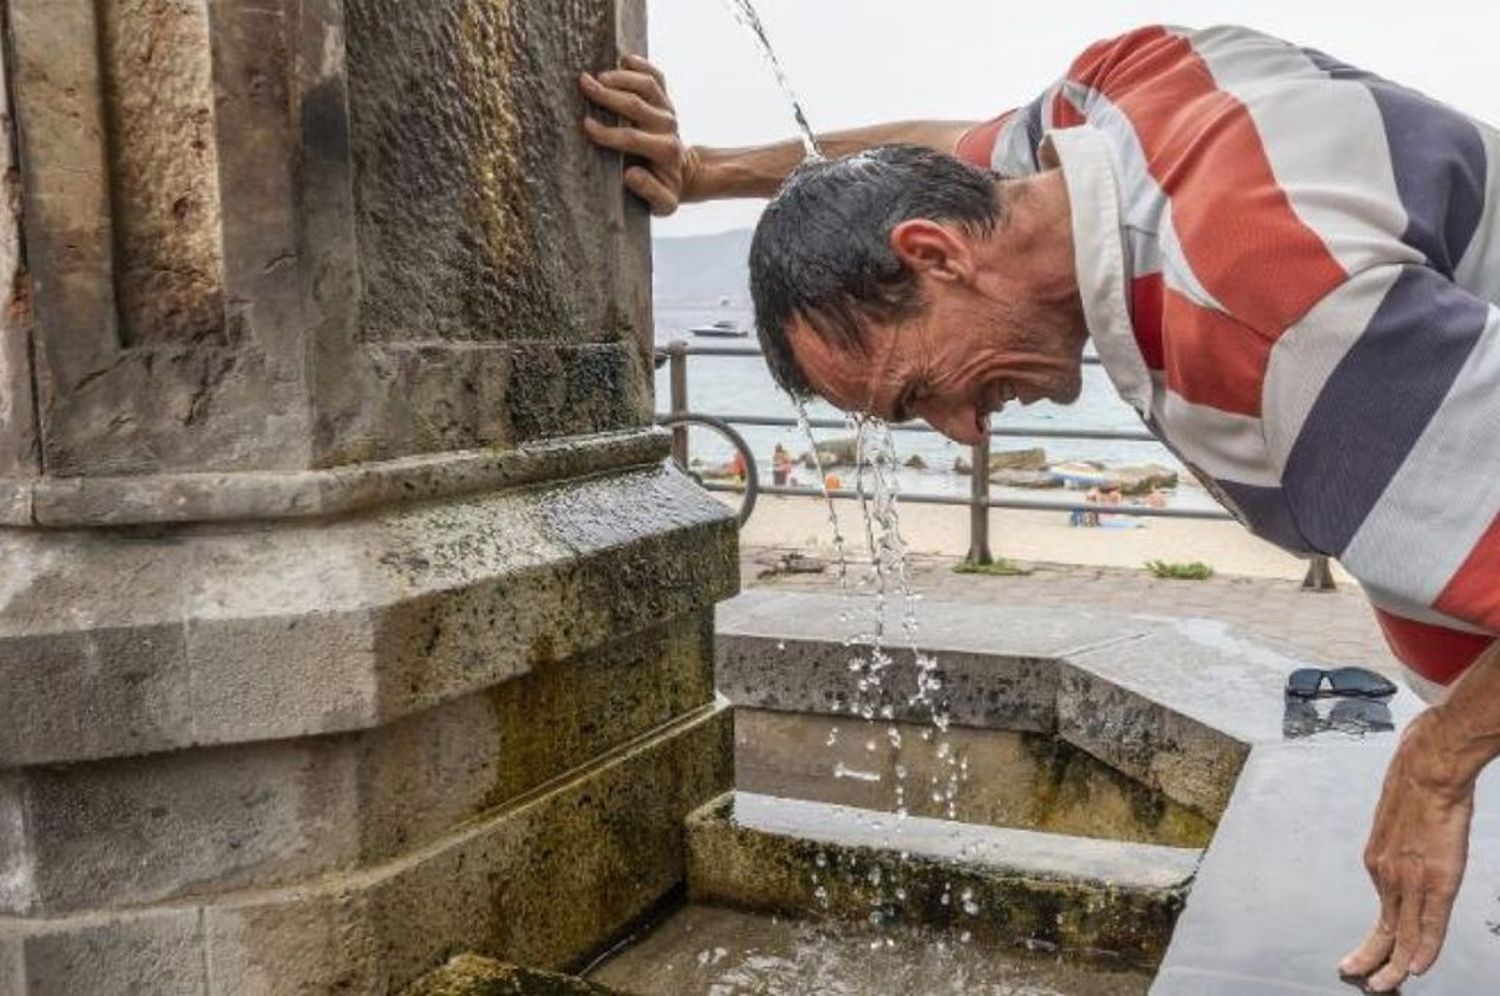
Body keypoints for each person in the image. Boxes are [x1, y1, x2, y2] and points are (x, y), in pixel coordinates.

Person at [580, 27, 1500, 992]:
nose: (965, 432)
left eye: (922, 390)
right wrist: (706, 169)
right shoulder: (1111, 104)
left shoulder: (1266, 324)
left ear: (932, 253)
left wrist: (1438, 761)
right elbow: (930, 152)